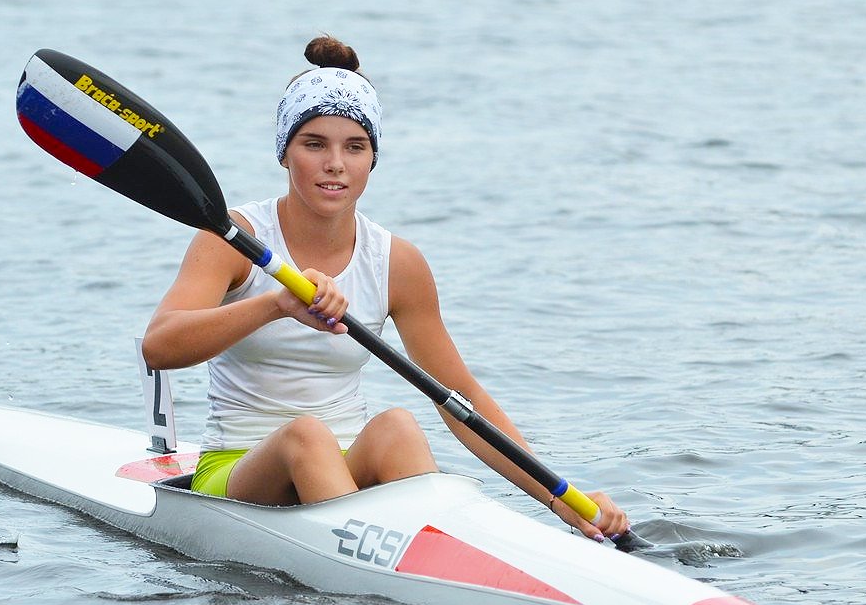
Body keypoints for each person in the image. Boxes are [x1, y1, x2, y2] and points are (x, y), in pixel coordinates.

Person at [142, 36, 628, 542]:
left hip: (347, 468)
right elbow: (160, 344)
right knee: (307, 437)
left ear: (373, 158)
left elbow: (461, 398)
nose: (336, 164)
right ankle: (386, 573)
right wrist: (276, 305)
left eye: (355, 147)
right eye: (314, 145)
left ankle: (439, 559)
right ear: (285, 154)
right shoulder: (234, 239)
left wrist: (559, 499)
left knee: (398, 424)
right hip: (239, 470)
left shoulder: (396, 262)